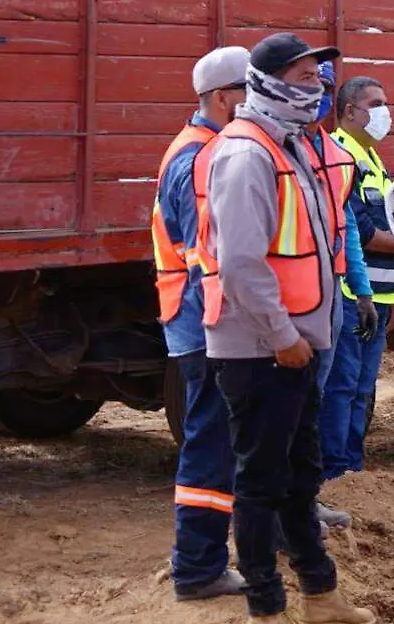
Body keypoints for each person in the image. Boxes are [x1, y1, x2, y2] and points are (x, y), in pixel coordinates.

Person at [194, 32, 374, 624]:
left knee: (299, 479)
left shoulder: (289, 145)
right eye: (302, 78)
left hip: (296, 345)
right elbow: (242, 264)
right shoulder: (247, 154)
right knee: (261, 484)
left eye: (317, 77)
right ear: (266, 83)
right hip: (262, 350)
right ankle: (266, 608)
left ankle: (320, 596)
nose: (316, 87)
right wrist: (285, 338)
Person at [151, 45, 249, 602]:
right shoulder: (199, 157)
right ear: (221, 97)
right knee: (210, 445)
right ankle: (198, 568)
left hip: (198, 320)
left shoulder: (204, 148)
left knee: (217, 440)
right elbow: (202, 258)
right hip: (203, 324)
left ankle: (205, 562)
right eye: (247, 95)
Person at [319, 76, 394, 483]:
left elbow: (387, 223)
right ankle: (335, 470)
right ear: (350, 111)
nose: (385, 111)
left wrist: (393, 297)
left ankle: (352, 467)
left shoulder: (372, 159)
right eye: (376, 103)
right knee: (342, 388)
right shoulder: (342, 155)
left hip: (377, 297)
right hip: (350, 295)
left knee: (362, 390)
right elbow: (359, 230)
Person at [305, 62, 378, 530]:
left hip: (328, 296)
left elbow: (346, 225)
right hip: (284, 304)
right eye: (308, 85)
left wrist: (364, 291)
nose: (317, 96)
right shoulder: (258, 150)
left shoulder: (333, 156)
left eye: (323, 87)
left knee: (312, 401)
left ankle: (305, 497)